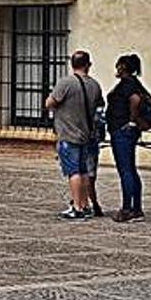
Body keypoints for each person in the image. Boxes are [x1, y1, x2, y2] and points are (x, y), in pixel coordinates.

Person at [46, 50, 104, 221]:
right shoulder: (95, 85)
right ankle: (85, 205)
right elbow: (99, 106)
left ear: (72, 64)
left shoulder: (66, 83)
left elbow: (49, 103)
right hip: (86, 134)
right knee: (84, 171)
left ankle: (77, 207)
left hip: (68, 134)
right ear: (88, 65)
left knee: (73, 172)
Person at [106, 53, 147, 223]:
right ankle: (136, 208)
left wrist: (131, 121)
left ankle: (127, 209)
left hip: (123, 132)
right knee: (130, 169)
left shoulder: (128, 84)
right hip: (125, 131)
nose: (117, 68)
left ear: (123, 67)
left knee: (126, 170)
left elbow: (136, 100)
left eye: (119, 65)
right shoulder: (133, 83)